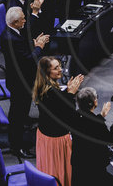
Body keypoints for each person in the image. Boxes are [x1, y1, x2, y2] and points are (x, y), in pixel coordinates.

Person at [0, 7, 49, 158]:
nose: (25, 20)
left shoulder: (12, 33)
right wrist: (39, 48)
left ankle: (17, 141)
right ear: (15, 22)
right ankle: (17, 147)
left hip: (19, 80)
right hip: (19, 83)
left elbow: (23, 49)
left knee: (19, 113)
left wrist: (33, 46)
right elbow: (28, 60)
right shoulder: (11, 38)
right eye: (22, 19)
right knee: (18, 115)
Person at [32, 56, 84, 186]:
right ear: (47, 72)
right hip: (56, 141)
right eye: (56, 68)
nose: (61, 70)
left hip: (44, 136)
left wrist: (67, 91)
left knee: (49, 169)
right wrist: (71, 94)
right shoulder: (52, 93)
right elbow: (68, 112)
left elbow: (56, 105)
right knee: (59, 172)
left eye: (60, 66)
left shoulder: (42, 86)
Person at [71, 87, 113, 186]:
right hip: (94, 165)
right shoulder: (96, 124)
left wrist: (101, 115)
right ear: (92, 103)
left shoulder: (74, 116)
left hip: (78, 161)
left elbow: (87, 125)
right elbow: (110, 140)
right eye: (96, 98)